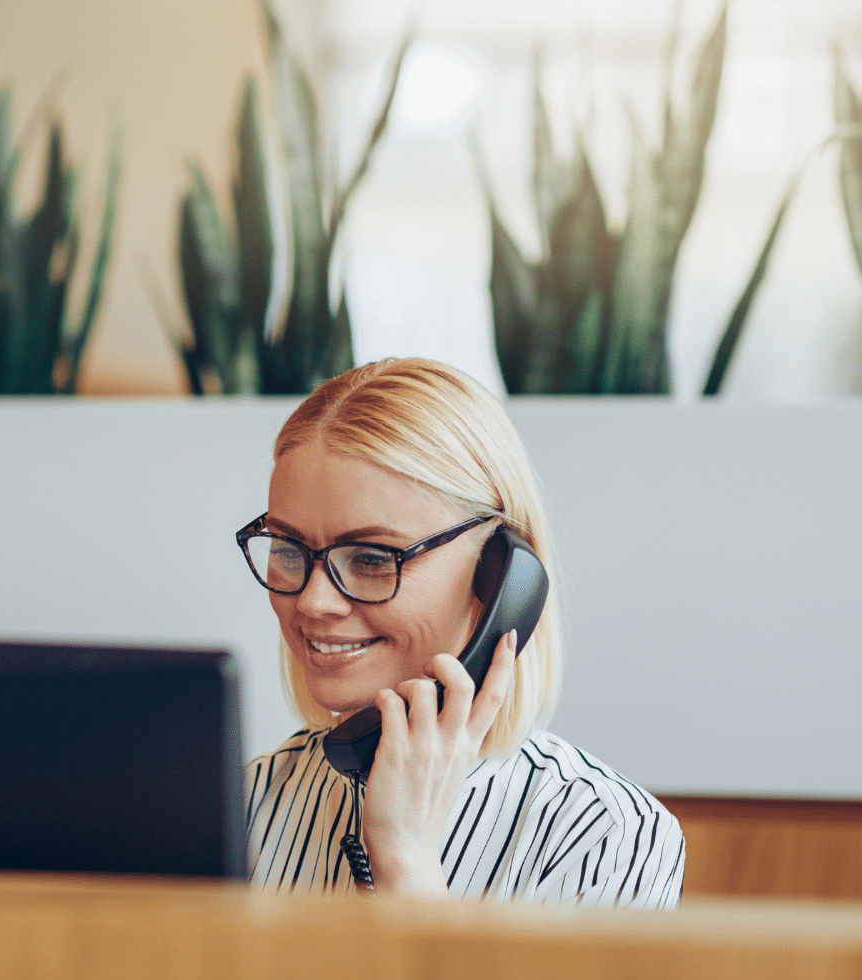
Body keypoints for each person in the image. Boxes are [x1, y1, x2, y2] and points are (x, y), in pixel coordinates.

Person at [238, 358, 685, 907]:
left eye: (373, 559)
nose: (313, 600)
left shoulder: (604, 838)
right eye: (287, 550)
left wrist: (406, 862)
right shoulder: (244, 804)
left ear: (503, 579)